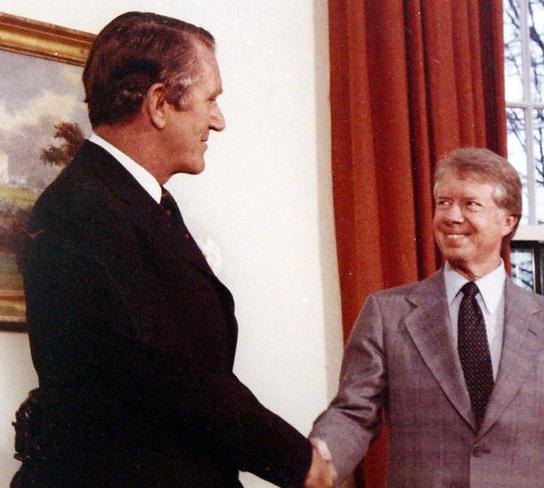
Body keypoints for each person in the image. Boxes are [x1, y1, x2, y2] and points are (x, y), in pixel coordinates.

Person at [12, 11, 334, 488]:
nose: (219, 121)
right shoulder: (87, 210)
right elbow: (178, 377)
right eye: (211, 100)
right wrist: (299, 461)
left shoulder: (127, 199)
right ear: (160, 104)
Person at [310, 147, 544, 487]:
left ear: (508, 221)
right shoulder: (387, 314)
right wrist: (319, 459)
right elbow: (354, 413)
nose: (451, 216)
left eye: (470, 204)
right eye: (443, 202)